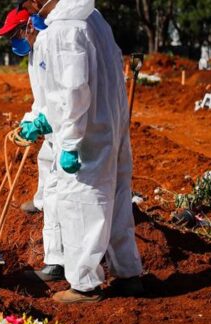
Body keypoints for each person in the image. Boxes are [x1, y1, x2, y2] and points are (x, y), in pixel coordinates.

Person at [20, 0, 144, 303]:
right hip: (110, 127)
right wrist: (44, 117)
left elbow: (73, 91)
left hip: (84, 135)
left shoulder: (63, 30)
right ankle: (128, 274)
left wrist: (70, 141)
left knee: (79, 205)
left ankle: (85, 285)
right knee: (115, 201)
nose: (31, 11)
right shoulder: (94, 18)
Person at [0, 6, 63, 282]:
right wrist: (30, 122)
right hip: (52, 125)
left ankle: (56, 262)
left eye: (14, 34)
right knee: (45, 160)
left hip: (66, 127)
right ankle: (39, 200)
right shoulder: (34, 55)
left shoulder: (50, 47)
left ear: (29, 28)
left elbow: (63, 95)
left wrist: (42, 122)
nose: (13, 41)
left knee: (58, 194)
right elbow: (41, 100)